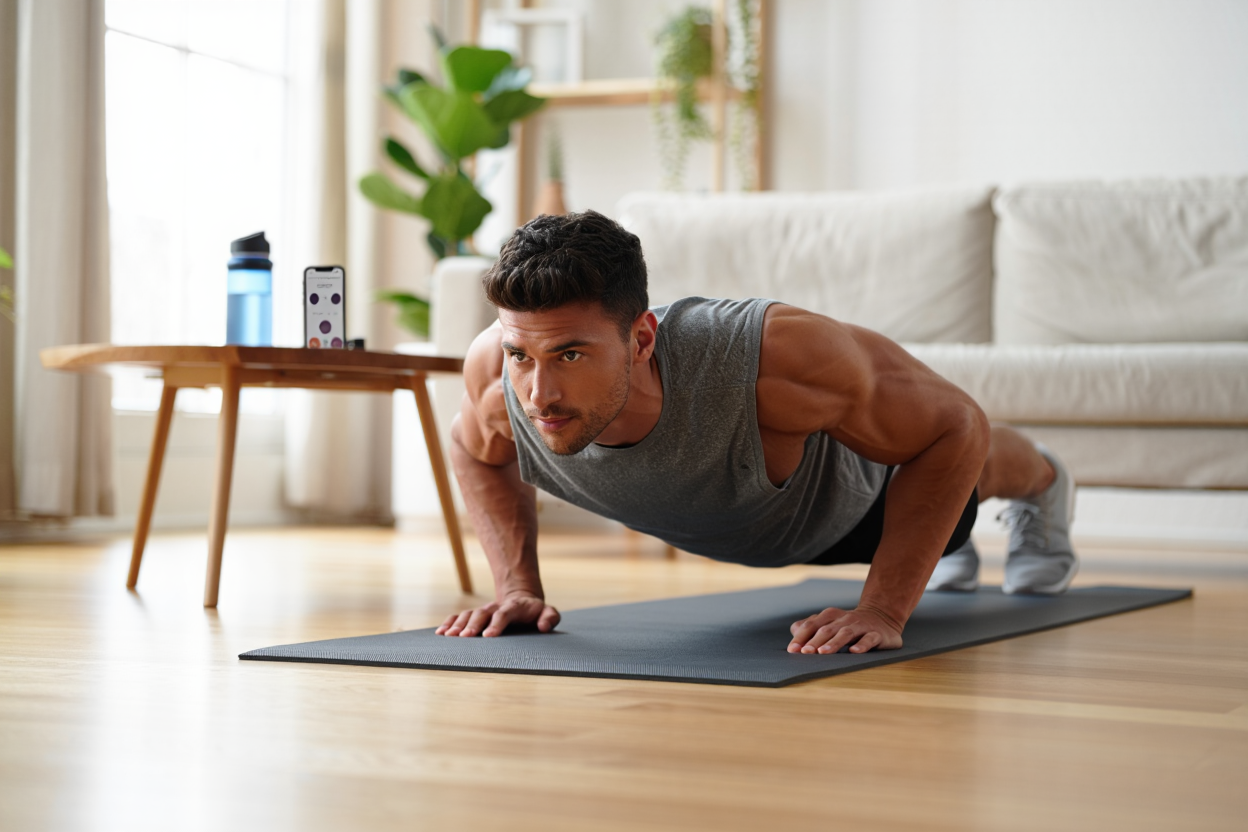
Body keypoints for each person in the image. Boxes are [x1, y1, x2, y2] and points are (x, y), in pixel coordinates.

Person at [436, 210, 1078, 655]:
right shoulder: (496, 372)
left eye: (571, 356)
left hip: (869, 508)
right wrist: (517, 588)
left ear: (640, 340)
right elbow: (472, 448)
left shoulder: (771, 356)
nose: (538, 394)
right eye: (524, 355)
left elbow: (956, 426)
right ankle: (944, 550)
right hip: (751, 525)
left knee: (975, 474)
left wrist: (883, 607)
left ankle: (1046, 480)